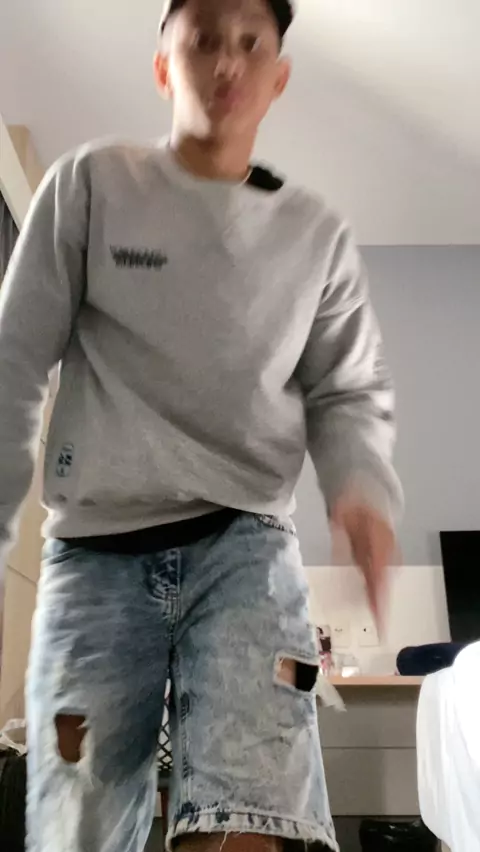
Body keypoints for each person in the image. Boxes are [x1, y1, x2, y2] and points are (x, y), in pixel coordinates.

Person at [0, 0, 402, 849]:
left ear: (278, 78)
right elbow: (14, 359)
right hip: (95, 556)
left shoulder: (315, 234)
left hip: (249, 552)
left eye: (251, 44)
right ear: (162, 66)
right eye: (204, 39)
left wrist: (361, 488)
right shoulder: (88, 186)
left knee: (255, 815)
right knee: (76, 822)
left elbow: (347, 387)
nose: (227, 62)